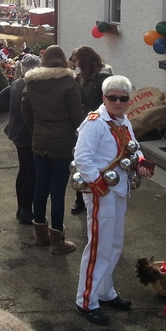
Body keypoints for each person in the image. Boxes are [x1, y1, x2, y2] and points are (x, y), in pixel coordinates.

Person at [73, 75, 154, 326]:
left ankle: (105, 292)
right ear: (104, 98)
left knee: (114, 244)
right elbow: (82, 158)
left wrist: (141, 162)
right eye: (113, 97)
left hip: (119, 190)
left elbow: (133, 148)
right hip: (102, 193)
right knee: (99, 247)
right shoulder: (94, 123)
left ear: (128, 100)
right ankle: (86, 301)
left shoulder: (123, 121)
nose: (118, 102)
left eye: (123, 98)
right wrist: (99, 187)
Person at [21, 45, 84, 256]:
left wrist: (36, 131)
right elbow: (77, 116)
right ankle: (57, 241)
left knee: (41, 187)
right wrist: (80, 136)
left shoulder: (31, 83)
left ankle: (40, 236)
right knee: (58, 191)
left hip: (40, 142)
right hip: (63, 144)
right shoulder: (69, 82)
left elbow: (25, 112)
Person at [0, 54, 41, 225]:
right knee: (32, 173)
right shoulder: (31, 86)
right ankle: (25, 211)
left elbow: (2, 94)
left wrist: (13, 108)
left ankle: (21, 208)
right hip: (26, 134)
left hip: (16, 131)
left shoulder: (17, 83)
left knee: (24, 171)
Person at [71, 46, 113, 215]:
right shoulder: (81, 77)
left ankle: (101, 192)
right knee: (81, 161)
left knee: (98, 160)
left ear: (85, 60)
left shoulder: (102, 79)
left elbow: (107, 104)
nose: (76, 63)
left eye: (77, 60)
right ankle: (80, 198)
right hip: (83, 124)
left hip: (99, 125)